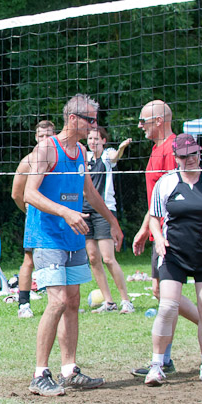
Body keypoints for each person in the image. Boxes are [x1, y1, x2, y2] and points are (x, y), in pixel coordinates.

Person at [24, 94, 122, 395]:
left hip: (74, 237)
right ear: (73, 119)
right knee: (56, 302)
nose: (94, 125)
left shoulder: (80, 151)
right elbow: (29, 193)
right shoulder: (46, 149)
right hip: (48, 237)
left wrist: (113, 222)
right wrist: (65, 212)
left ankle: (69, 370)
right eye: (90, 119)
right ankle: (39, 374)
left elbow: (90, 193)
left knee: (74, 301)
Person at [131, 100, 202, 377]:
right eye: (183, 156)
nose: (189, 160)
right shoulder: (167, 181)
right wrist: (156, 237)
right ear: (175, 157)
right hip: (173, 252)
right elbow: (155, 216)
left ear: (199, 153)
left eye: (193, 155)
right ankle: (158, 364)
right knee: (166, 305)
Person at [83, 126, 134, 313]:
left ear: (104, 141)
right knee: (93, 258)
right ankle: (109, 302)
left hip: (104, 211)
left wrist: (121, 148)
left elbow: (115, 157)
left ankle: (126, 301)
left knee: (108, 258)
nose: (93, 142)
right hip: (85, 211)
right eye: (90, 138)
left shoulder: (107, 155)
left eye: (96, 139)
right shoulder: (84, 157)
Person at [11, 120, 56, 318]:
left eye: (49, 135)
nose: (45, 139)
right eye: (41, 136)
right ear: (36, 137)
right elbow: (16, 194)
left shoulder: (60, 158)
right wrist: (29, 210)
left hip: (58, 215)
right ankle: (23, 304)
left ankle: (63, 300)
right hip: (37, 217)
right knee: (29, 260)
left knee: (61, 256)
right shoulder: (28, 161)